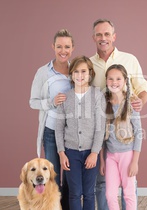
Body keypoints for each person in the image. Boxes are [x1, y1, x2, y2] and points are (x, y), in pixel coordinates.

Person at [90, 18, 147, 210]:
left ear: (114, 36)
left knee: (128, 189)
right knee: (103, 187)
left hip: (125, 141)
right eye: (99, 34)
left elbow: (143, 89)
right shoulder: (89, 64)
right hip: (103, 138)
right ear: (94, 38)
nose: (103, 38)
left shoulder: (129, 59)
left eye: (107, 34)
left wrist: (139, 102)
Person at [29, 29, 74, 210]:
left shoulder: (77, 70)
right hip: (50, 131)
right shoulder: (43, 72)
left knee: (70, 177)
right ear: (53, 47)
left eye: (67, 47)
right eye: (59, 46)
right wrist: (51, 102)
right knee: (52, 176)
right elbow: (32, 102)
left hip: (72, 132)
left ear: (73, 48)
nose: (63, 50)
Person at [55, 56, 106, 210]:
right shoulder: (65, 97)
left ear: (90, 73)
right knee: (74, 193)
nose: (80, 75)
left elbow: (100, 127)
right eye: (76, 71)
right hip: (71, 153)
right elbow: (59, 127)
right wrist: (62, 153)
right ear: (71, 74)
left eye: (83, 71)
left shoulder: (97, 95)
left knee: (89, 193)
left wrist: (94, 153)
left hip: (91, 153)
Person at [100, 64, 142, 210]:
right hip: (110, 155)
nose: (114, 82)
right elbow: (101, 136)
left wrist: (135, 162)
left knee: (128, 193)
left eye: (118, 79)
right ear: (106, 81)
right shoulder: (103, 103)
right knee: (110, 195)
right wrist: (102, 160)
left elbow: (138, 133)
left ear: (125, 81)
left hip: (127, 155)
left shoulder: (131, 103)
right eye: (110, 79)